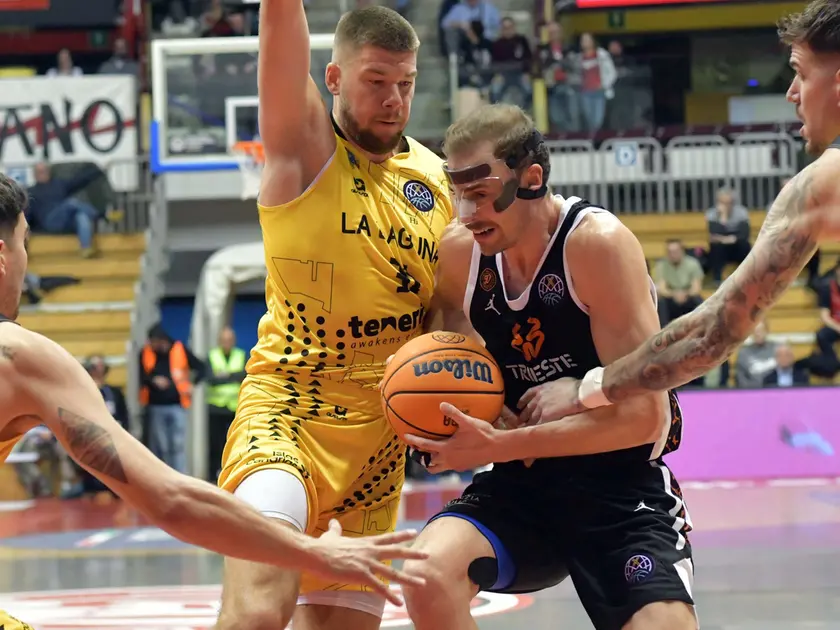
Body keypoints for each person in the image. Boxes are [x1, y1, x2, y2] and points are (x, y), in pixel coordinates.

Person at [0, 173, 428, 630]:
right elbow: (168, 499)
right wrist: (313, 551)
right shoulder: (20, 357)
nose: (30, 263)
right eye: (26, 243)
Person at [399, 104, 696, 630]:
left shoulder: (596, 246)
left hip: (618, 487)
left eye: (482, 193)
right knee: (424, 575)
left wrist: (508, 441)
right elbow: (448, 356)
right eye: (458, 193)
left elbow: (647, 420)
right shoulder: (460, 255)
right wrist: (448, 421)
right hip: (521, 486)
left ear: (531, 179)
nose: (467, 212)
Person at [214, 4, 452, 630]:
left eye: (406, 83)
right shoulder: (305, 145)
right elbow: (281, 47)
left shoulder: (436, 179)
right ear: (335, 78)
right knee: (259, 612)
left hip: (379, 445)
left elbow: (445, 316)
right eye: (376, 81)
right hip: (287, 417)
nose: (394, 99)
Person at [491, 0, 840, 426]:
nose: (792, 92)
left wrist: (587, 388)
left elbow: (712, 333)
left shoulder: (825, 181)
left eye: (802, 73)